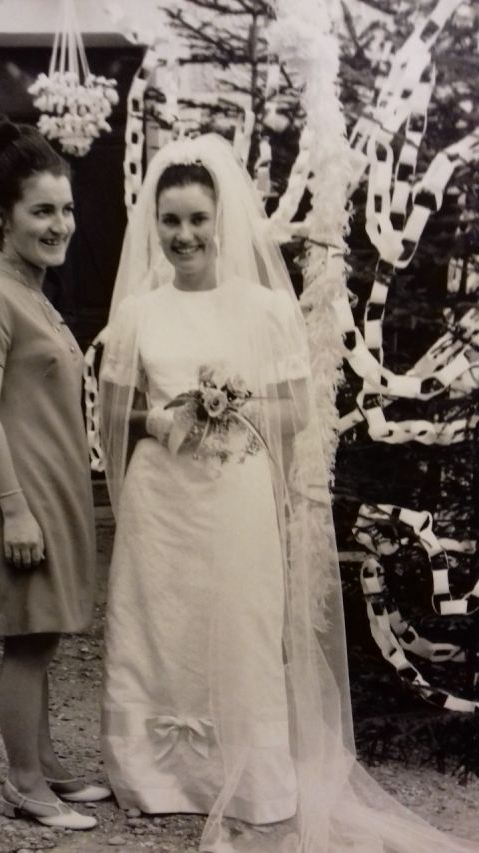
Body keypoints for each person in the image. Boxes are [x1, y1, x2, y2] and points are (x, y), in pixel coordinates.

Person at [98, 134, 478, 853]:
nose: (184, 235)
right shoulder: (139, 315)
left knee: (240, 621)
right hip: (161, 500)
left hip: (235, 492)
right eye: (170, 221)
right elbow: (113, 416)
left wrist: (228, 406)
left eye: (196, 220)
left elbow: (296, 410)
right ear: (154, 225)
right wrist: (165, 416)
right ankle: (155, 773)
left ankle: (246, 776)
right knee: (159, 621)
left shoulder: (265, 309)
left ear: (222, 221)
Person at [0, 118, 109, 831]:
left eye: (66, 208)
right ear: (2, 215)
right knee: (27, 636)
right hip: (18, 495)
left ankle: (41, 762)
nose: (60, 224)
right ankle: (23, 783)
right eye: (42, 210)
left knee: (41, 633)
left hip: (50, 489)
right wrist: (15, 507)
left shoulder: (34, 292)